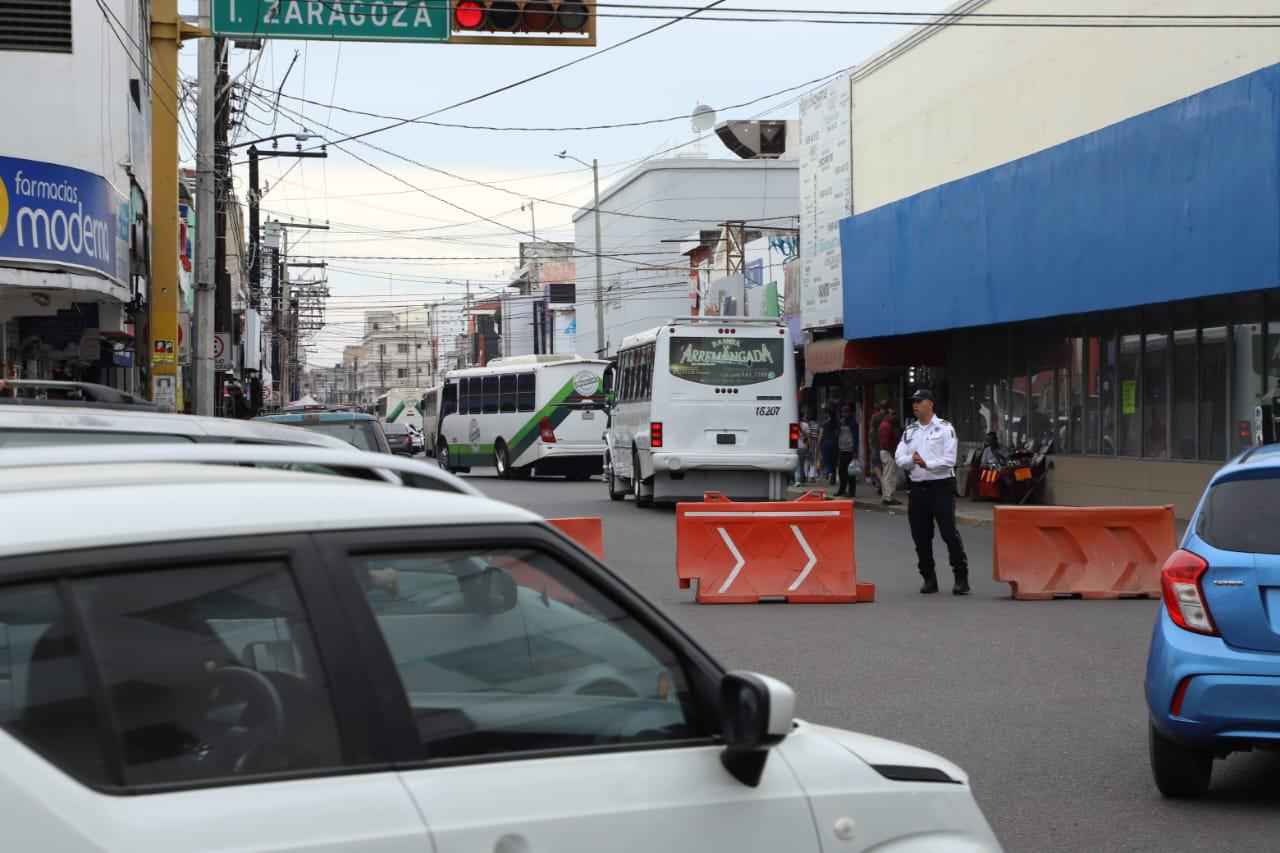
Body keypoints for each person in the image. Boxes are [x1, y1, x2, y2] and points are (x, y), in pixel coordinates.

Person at [896, 389, 970, 595]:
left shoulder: (945, 428)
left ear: (930, 404)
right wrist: (912, 460)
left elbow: (949, 460)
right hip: (917, 488)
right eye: (914, 401)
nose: (915, 405)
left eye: (919, 401)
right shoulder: (909, 431)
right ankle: (929, 578)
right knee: (920, 537)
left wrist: (927, 464)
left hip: (940, 487)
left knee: (949, 533)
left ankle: (961, 577)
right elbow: (899, 458)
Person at [878, 405, 903, 507]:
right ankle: (887, 498)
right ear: (886, 415)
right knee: (889, 476)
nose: (893, 416)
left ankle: (887, 497)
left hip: (886, 452)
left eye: (894, 414)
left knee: (887, 475)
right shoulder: (886, 426)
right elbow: (885, 442)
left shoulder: (886, 425)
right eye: (891, 414)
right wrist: (892, 451)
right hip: (888, 452)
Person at [835, 405, 858, 497]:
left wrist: (854, 449)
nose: (844, 414)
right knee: (841, 471)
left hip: (849, 450)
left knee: (851, 472)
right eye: (843, 412)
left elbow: (855, 437)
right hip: (842, 449)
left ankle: (852, 491)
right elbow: (837, 434)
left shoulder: (853, 423)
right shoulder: (841, 423)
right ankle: (842, 489)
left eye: (846, 412)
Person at [816, 404, 840, 487]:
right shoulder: (837, 424)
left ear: (828, 415)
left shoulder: (824, 424)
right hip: (836, 444)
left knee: (827, 461)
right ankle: (833, 478)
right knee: (834, 461)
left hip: (826, 444)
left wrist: (818, 446)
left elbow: (821, 435)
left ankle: (829, 473)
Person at [868, 400, 887, 494]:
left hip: (876, 444)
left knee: (875, 464)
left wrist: (870, 441)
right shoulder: (891, 416)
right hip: (887, 444)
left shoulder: (875, 417)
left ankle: (881, 480)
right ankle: (884, 483)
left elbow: (871, 430)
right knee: (886, 465)